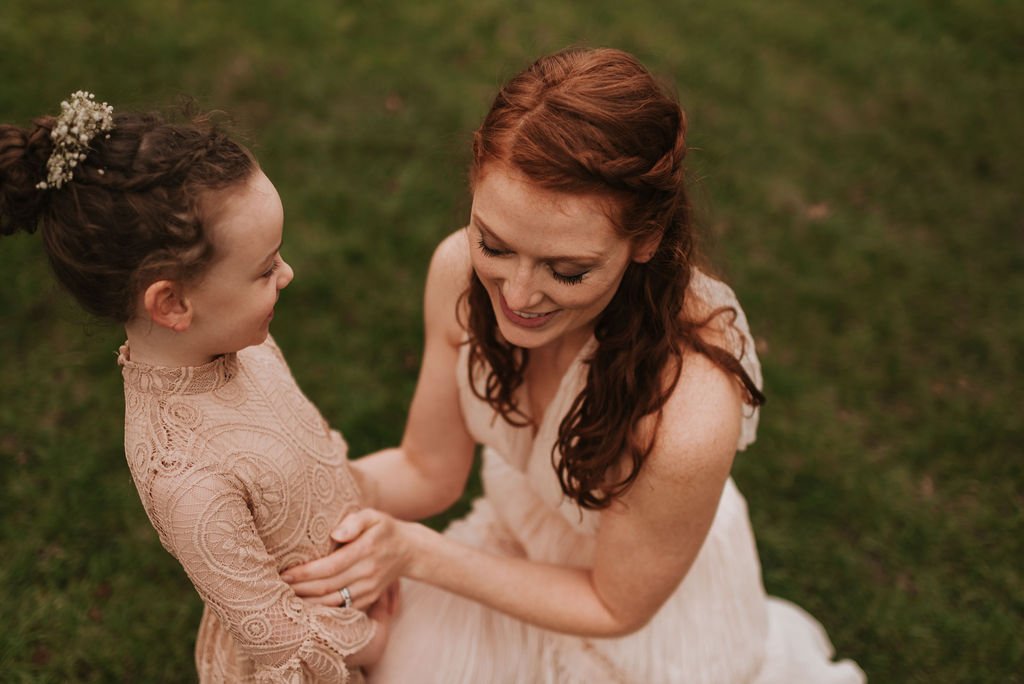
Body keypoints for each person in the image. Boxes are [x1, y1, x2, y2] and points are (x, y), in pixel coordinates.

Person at [282, 48, 867, 683]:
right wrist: (315, 494)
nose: (518, 295)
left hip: (635, 624)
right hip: (515, 543)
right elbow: (429, 469)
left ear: (643, 241)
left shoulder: (689, 407)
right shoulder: (457, 271)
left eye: (568, 271)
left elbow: (615, 605)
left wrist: (415, 552)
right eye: (495, 245)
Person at [0, 92, 395, 682]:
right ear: (173, 302)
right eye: (265, 269)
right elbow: (279, 638)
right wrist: (378, 634)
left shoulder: (244, 342)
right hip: (338, 650)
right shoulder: (184, 473)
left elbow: (310, 459)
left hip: (367, 586)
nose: (287, 275)